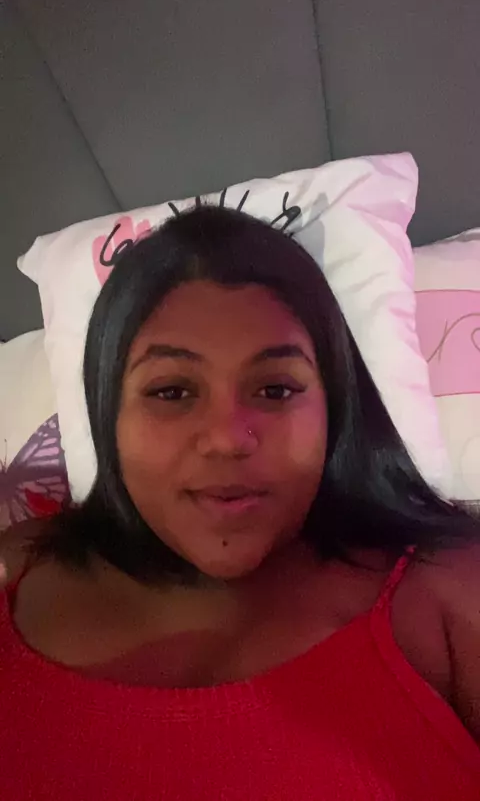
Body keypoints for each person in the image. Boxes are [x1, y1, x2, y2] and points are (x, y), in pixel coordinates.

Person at [1, 205, 479, 799]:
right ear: (108, 417)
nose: (228, 438)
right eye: (172, 391)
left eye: (275, 389)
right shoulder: (17, 569)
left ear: (334, 406)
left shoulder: (450, 585)